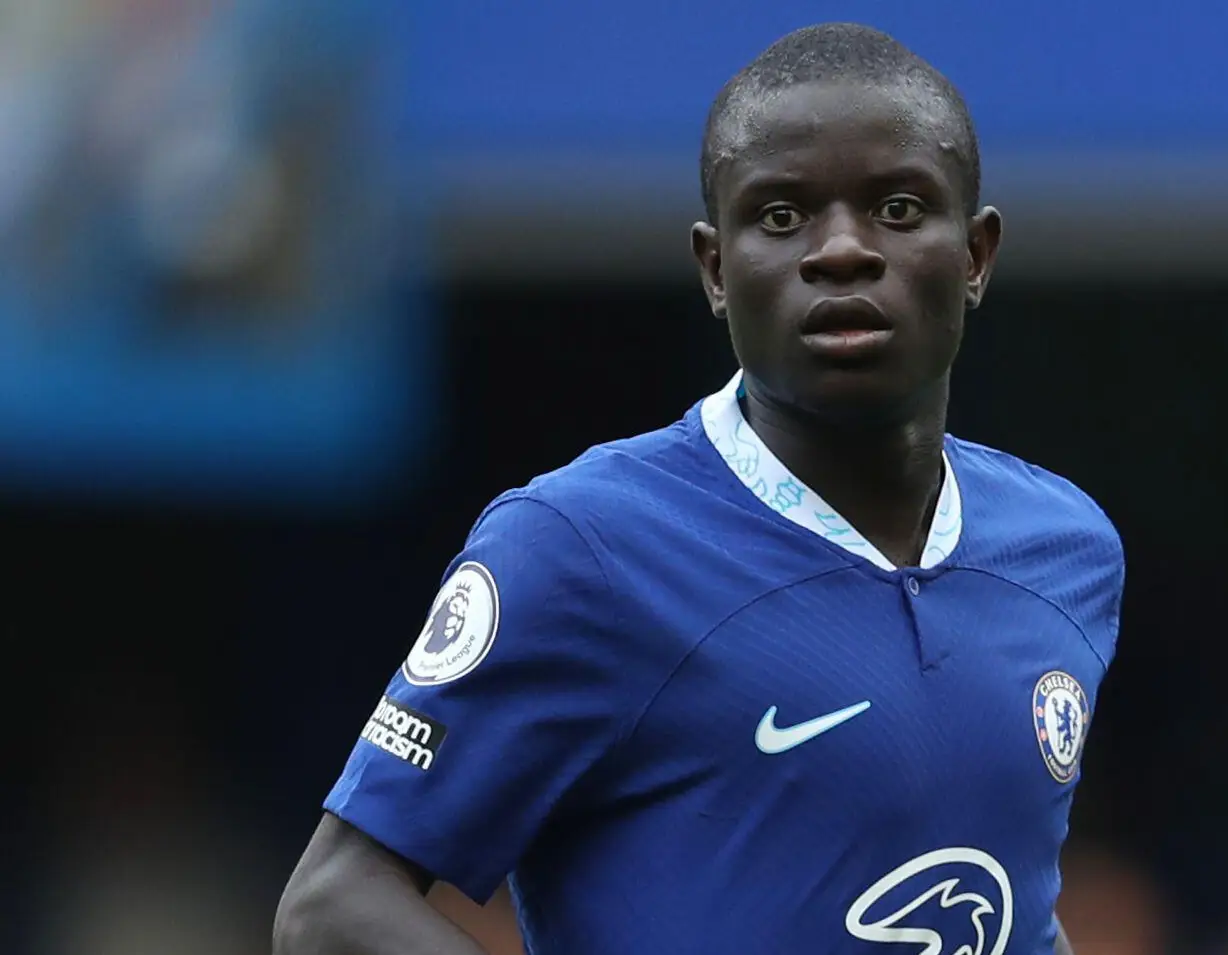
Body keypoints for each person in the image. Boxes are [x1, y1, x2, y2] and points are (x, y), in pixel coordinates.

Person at [273, 22, 1124, 955]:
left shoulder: (1065, 549)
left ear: (976, 254)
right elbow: (334, 906)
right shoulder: (583, 546)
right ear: (716, 270)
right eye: (782, 216)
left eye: (898, 207)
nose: (841, 251)